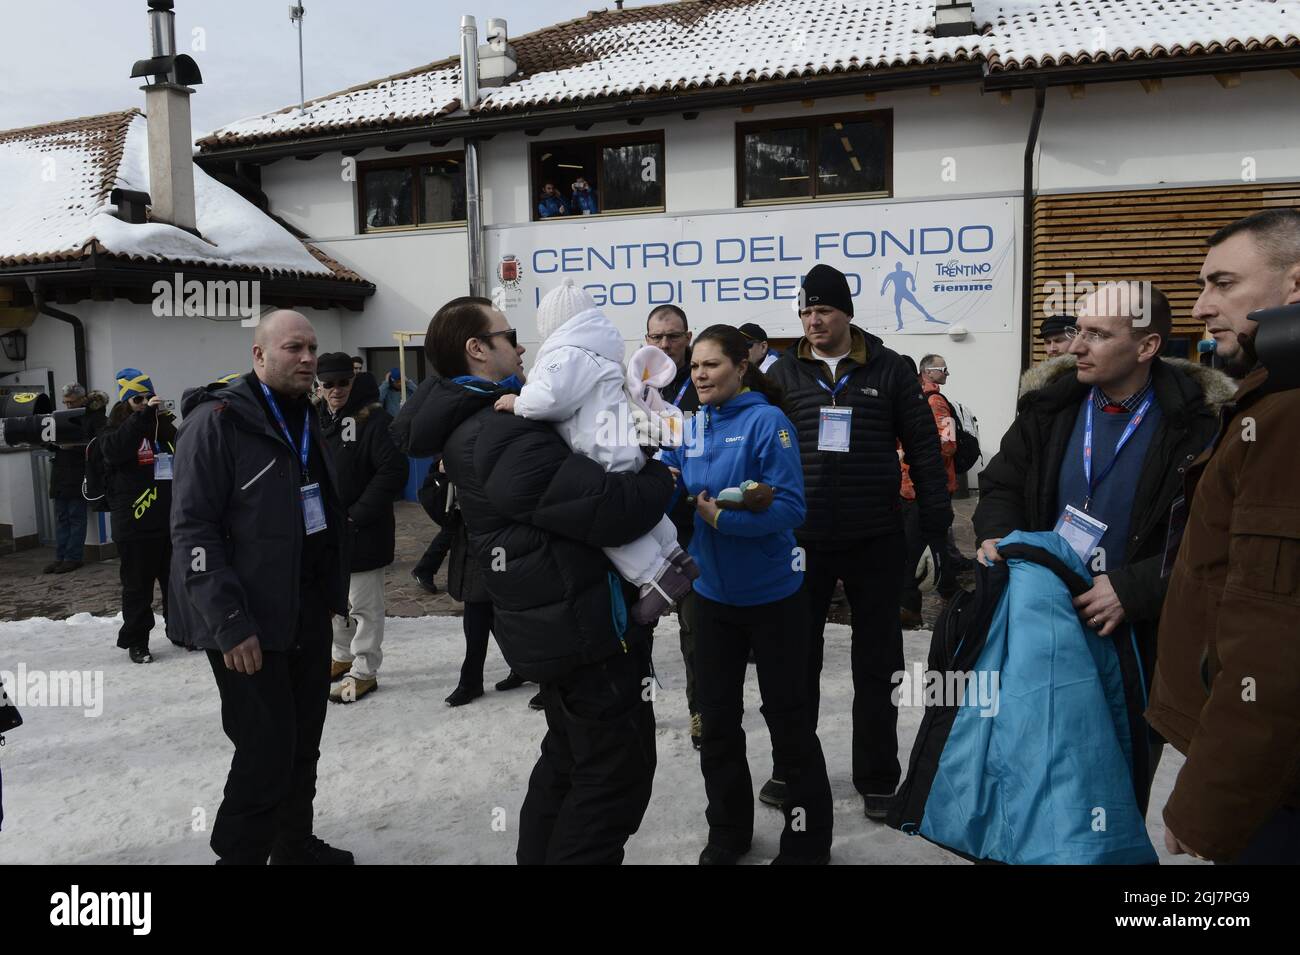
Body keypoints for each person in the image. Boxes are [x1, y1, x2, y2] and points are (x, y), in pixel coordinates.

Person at [393, 295, 675, 864]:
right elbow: (606, 506)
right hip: (582, 630)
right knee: (610, 782)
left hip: (560, 620)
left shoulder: (486, 420)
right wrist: (662, 478)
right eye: (507, 335)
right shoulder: (495, 432)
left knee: (569, 762)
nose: (521, 346)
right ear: (477, 350)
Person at [975, 283, 1232, 814]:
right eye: (1077, 331)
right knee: (1037, 779)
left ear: (1147, 347)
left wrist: (1133, 591)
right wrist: (998, 536)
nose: (1075, 347)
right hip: (1047, 621)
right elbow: (1002, 485)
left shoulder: (1201, 425)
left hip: (1137, 638)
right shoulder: (1050, 407)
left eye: (1096, 334)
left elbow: (1217, 543)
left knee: (1115, 792)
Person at [764, 263, 952, 819]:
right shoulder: (782, 375)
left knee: (878, 660)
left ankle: (877, 774)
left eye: (822, 309)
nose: (813, 320)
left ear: (846, 312)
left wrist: (937, 531)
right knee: (795, 661)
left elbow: (923, 450)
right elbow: (762, 447)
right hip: (804, 539)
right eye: (805, 311)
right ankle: (792, 768)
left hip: (876, 536)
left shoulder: (890, 369)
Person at [168, 310, 353, 865]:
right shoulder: (217, 422)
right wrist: (229, 624)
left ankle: (293, 845)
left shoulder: (304, 416)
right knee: (265, 750)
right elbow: (192, 530)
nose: (308, 359)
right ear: (258, 355)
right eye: (294, 347)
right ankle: (240, 856)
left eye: (313, 348)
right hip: (245, 622)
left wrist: (327, 599)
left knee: (303, 740)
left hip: (302, 610)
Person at [1149, 208, 1300, 863]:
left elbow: (1274, 639)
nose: (1201, 305)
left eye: (1223, 283)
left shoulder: (1288, 412)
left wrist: (1208, 800)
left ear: (1295, 286)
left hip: (1275, 787)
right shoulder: (1267, 397)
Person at [658, 324, 832, 865]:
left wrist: (721, 519)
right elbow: (672, 491)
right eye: (695, 367)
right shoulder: (690, 426)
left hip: (773, 598)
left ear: (741, 367)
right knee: (717, 723)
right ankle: (728, 831)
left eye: (711, 365)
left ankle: (806, 842)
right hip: (710, 598)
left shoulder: (768, 422)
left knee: (788, 720)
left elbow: (790, 509)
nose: (701, 375)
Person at [495, 280, 696, 623]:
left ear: (553, 323)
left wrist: (518, 402)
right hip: (620, 446)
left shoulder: (567, 355)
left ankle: (654, 578)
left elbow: (550, 400)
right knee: (642, 516)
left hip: (599, 452)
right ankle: (675, 555)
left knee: (605, 523)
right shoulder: (602, 353)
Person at [316, 355, 408, 704]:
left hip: (362, 531)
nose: (336, 390)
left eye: (343, 382)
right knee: (335, 601)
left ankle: (365, 670)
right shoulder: (317, 418)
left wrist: (357, 515)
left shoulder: (375, 420)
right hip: (327, 531)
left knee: (363, 607)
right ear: (319, 386)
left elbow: (393, 472)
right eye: (329, 384)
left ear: (354, 383)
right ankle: (342, 656)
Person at [420, 458, 527, 705]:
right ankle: (473, 681)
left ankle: (535, 673)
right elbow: (440, 512)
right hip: (471, 538)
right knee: (478, 611)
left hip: (506, 536)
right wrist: (440, 471)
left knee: (513, 615)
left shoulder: (503, 431)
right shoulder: (455, 440)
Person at [645, 303, 704, 746]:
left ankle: (699, 711)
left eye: (673, 336)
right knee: (638, 624)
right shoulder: (632, 385)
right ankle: (638, 707)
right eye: (656, 337)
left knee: (695, 628)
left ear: (687, 337)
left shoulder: (701, 383)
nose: (664, 344)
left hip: (689, 523)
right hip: (640, 522)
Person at [99, 369, 178, 664]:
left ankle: (180, 630)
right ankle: (138, 641)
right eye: (136, 399)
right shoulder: (114, 431)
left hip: (168, 522)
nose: (144, 403)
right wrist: (139, 419)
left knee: (176, 585)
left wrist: (160, 421)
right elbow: (116, 450)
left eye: (147, 398)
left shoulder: (163, 427)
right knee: (137, 589)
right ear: (124, 404)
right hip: (134, 525)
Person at [44, 383, 108, 574]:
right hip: (62, 473)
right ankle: (61, 557)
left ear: (82, 400)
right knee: (63, 517)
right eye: (65, 402)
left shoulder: (94, 418)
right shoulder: (63, 418)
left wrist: (75, 447)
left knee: (75, 517)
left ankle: (72, 557)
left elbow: (97, 444)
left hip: (78, 472)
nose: (68, 406)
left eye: (71, 402)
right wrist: (52, 444)